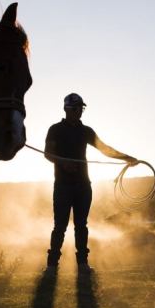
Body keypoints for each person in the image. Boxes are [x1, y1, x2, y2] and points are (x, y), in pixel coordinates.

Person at [44, 93, 138, 274]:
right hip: (63, 186)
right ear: (66, 109)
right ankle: (52, 265)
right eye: (75, 108)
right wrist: (63, 163)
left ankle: (82, 264)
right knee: (60, 226)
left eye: (81, 108)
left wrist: (127, 158)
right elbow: (48, 153)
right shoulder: (55, 129)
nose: (79, 111)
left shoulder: (86, 131)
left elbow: (105, 149)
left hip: (83, 186)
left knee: (81, 225)